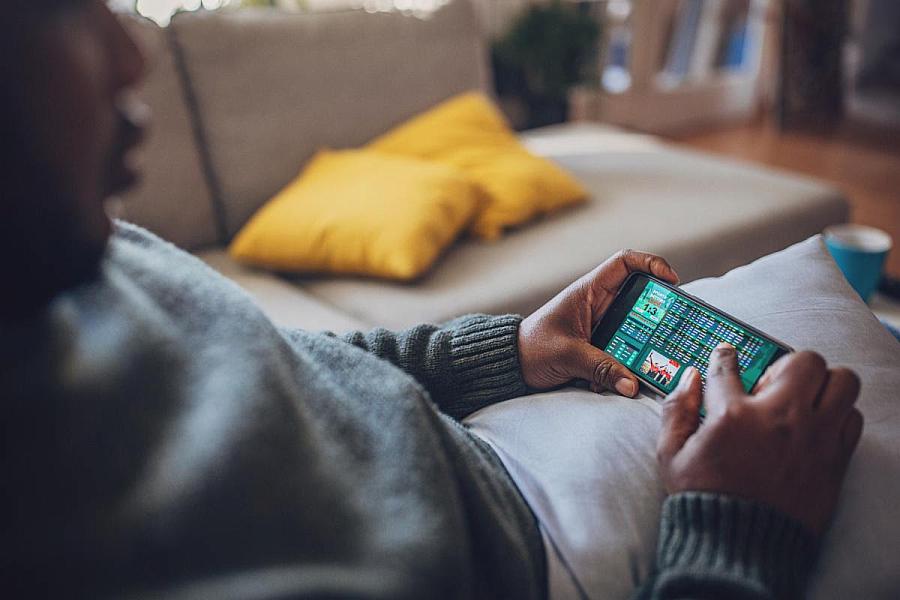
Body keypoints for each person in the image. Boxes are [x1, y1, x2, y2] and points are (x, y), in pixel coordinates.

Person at [0, 1, 864, 598]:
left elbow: (278, 363)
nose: (131, 51)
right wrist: (738, 531)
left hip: (492, 447)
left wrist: (512, 348)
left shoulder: (83, 244)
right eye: (60, 8)